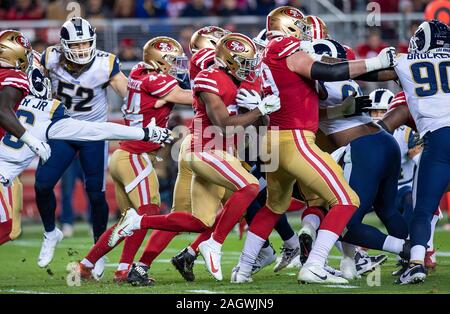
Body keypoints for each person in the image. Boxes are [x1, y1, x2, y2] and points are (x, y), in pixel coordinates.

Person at [35, 17, 128, 270]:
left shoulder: (105, 62)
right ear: (63, 45)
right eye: (75, 45)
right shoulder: (49, 58)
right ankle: (50, 232)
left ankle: (98, 251)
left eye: (85, 43)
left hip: (92, 133)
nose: (81, 49)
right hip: (62, 129)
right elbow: (29, 82)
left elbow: (128, 94)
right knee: (43, 185)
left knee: (95, 195)